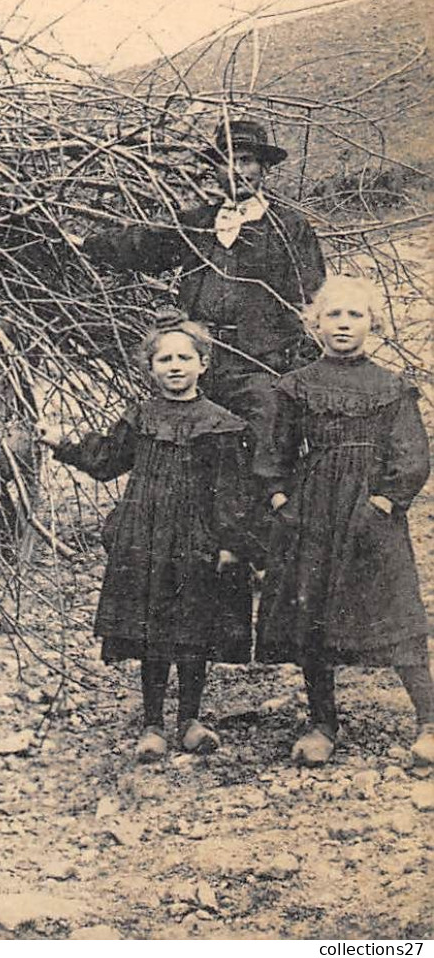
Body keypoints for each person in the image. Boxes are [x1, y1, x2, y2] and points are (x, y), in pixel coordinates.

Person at [38, 308, 258, 761]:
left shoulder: (222, 424)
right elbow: (107, 461)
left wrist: (232, 544)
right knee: (153, 632)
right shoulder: (140, 418)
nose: (175, 366)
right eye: (164, 359)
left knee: (193, 632)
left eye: (184, 357)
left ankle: (191, 720)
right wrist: (62, 441)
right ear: (150, 367)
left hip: (196, 541)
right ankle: (153, 723)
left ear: (204, 363)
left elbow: (234, 493)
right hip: (147, 537)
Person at [78, 119, 326, 488]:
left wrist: (293, 370)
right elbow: (143, 245)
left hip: (261, 368)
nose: (238, 171)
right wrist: (85, 244)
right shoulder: (199, 224)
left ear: (265, 168)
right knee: (194, 462)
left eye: (246, 160)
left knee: (263, 463)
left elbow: (313, 300)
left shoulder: (289, 228)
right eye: (228, 161)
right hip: (202, 366)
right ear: (215, 170)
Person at [259, 276, 434, 767]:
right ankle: (322, 722)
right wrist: (279, 500)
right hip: (314, 512)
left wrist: (384, 501)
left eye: (355, 315)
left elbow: (413, 455)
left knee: (395, 610)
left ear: (372, 323)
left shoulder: (391, 387)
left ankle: (428, 721)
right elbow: (275, 450)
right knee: (312, 612)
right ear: (316, 324)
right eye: (333, 314)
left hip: (372, 513)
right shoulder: (296, 386)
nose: (343, 324)